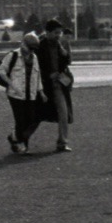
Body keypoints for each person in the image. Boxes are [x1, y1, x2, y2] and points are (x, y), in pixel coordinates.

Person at [0, 31, 47, 154]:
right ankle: (22, 146)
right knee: (20, 120)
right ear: (23, 44)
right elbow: (0, 70)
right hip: (16, 94)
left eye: (33, 49)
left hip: (31, 93)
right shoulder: (13, 55)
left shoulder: (34, 57)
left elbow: (37, 75)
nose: (31, 51)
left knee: (30, 119)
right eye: (30, 48)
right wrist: (11, 84)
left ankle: (14, 137)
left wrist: (41, 92)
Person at [36, 18, 74, 152]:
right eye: (56, 33)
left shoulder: (59, 45)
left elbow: (67, 61)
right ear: (48, 32)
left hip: (58, 85)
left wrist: (65, 54)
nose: (59, 35)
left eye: (60, 33)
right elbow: (36, 67)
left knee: (63, 113)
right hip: (43, 86)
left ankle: (62, 143)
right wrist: (47, 75)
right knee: (35, 115)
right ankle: (18, 138)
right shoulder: (40, 46)